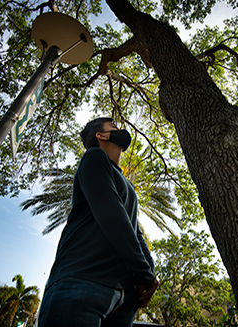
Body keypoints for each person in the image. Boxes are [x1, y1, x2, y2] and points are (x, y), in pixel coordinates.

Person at [37, 117, 159, 327]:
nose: (120, 130)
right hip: (82, 280)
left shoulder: (128, 187)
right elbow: (113, 216)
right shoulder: (94, 157)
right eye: (114, 127)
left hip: (124, 298)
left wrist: (149, 274)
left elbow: (135, 231)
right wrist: (144, 275)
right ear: (101, 135)